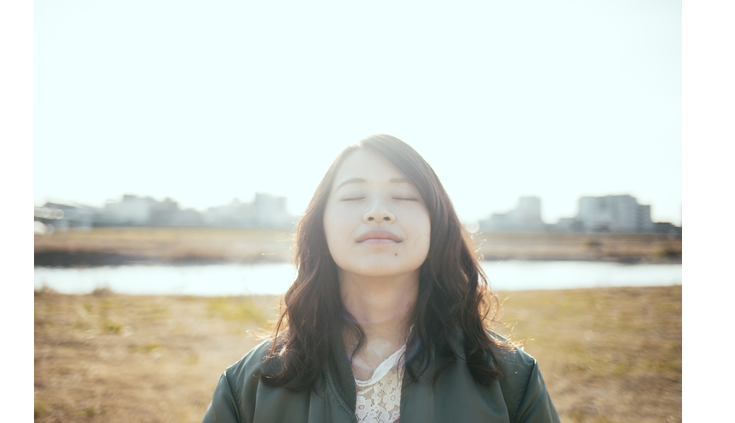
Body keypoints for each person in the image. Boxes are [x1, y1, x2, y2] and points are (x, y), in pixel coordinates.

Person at [203, 135, 559, 423]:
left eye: (404, 195)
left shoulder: (510, 378)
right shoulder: (248, 386)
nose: (378, 212)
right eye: (353, 196)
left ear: (438, 223)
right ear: (320, 226)